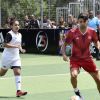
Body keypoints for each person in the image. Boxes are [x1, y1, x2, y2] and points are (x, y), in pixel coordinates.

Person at [62, 13, 100, 99]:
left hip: (87, 59)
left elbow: (96, 41)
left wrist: (98, 45)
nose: (80, 23)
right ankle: (76, 91)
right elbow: (64, 44)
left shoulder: (92, 31)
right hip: (75, 59)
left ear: (87, 22)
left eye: (82, 22)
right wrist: (64, 54)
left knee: (98, 81)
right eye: (79, 22)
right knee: (73, 75)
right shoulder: (72, 32)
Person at [0, 18, 27, 97]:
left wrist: (21, 49)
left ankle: (18, 91)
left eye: (18, 25)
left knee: (18, 72)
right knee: (2, 73)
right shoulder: (10, 34)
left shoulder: (20, 35)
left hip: (16, 58)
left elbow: (19, 45)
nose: (17, 26)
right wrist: (16, 46)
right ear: (11, 26)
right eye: (15, 25)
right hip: (7, 58)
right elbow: (5, 44)